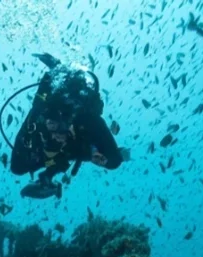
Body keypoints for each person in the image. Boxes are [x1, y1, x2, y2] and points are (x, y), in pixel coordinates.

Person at [10, 53, 126, 200]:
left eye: (60, 130)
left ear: (70, 125)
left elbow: (115, 160)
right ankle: (57, 68)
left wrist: (96, 155)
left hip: (77, 141)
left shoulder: (89, 123)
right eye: (52, 127)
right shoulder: (38, 117)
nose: (56, 135)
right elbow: (16, 165)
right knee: (18, 168)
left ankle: (60, 69)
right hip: (44, 120)